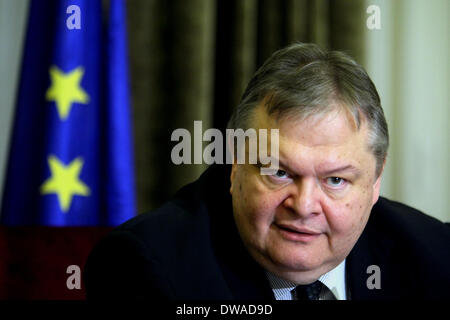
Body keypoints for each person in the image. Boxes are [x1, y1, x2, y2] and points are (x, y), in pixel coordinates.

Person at [84, 43, 450, 300]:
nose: (304, 206)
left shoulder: (435, 257)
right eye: (278, 172)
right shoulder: (147, 269)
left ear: (375, 181)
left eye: (335, 180)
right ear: (234, 164)